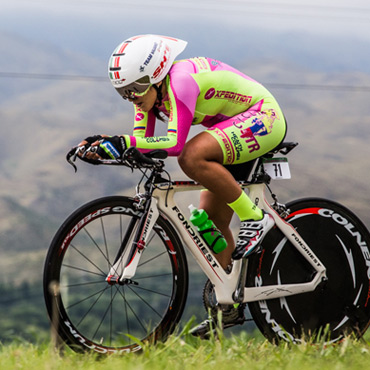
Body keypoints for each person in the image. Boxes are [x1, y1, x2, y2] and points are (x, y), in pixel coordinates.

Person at [77, 34, 287, 338]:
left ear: (157, 75)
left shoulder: (180, 83)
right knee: (211, 226)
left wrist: (123, 143)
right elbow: (143, 144)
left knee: (192, 156)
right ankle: (228, 306)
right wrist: (106, 147)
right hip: (231, 128)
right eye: (123, 91)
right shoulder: (147, 96)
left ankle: (257, 218)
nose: (131, 96)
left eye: (135, 88)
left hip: (263, 117)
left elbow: (174, 144)